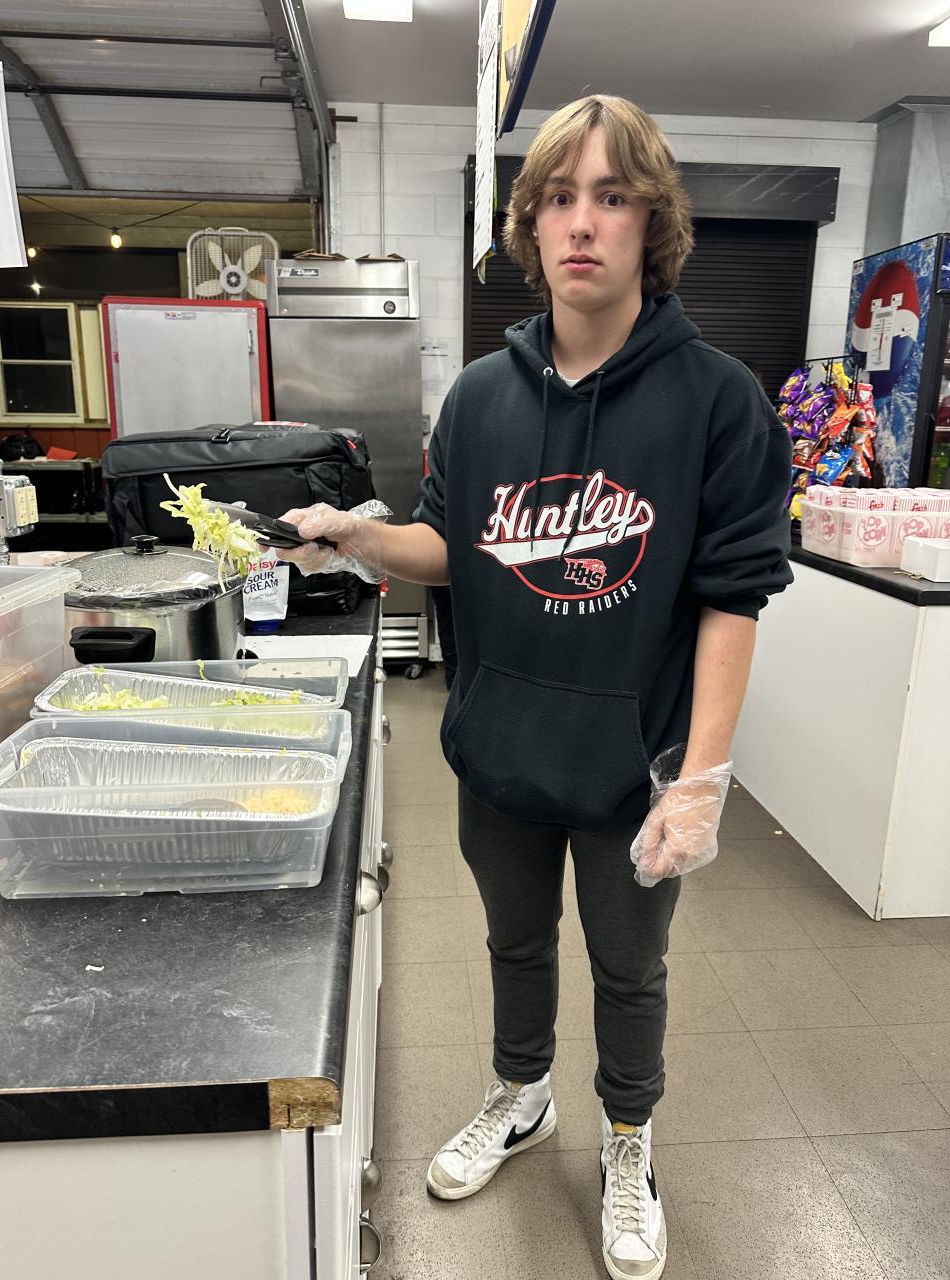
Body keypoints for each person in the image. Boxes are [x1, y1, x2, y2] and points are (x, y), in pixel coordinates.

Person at [279, 94, 792, 1280]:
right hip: (501, 749)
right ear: (529, 222)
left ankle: (628, 1135)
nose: (582, 222)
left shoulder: (720, 401)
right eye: (559, 196)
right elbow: (449, 544)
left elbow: (733, 598)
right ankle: (522, 1095)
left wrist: (701, 779)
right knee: (515, 942)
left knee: (629, 967)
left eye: (612, 196)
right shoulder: (479, 396)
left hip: (631, 768)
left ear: (653, 223)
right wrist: (360, 536)